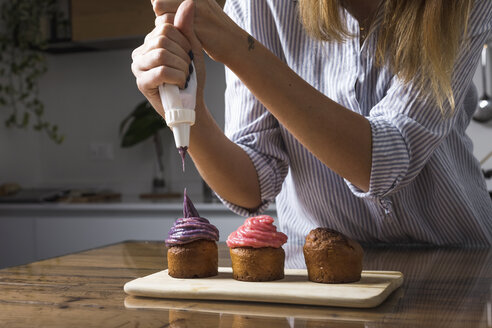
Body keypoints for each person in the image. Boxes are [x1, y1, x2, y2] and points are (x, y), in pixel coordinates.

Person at [131, 0, 492, 268]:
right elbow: (250, 187)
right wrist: (188, 114)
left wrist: (240, 50)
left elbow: (385, 159)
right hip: (316, 273)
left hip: (458, 263)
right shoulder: (258, 6)